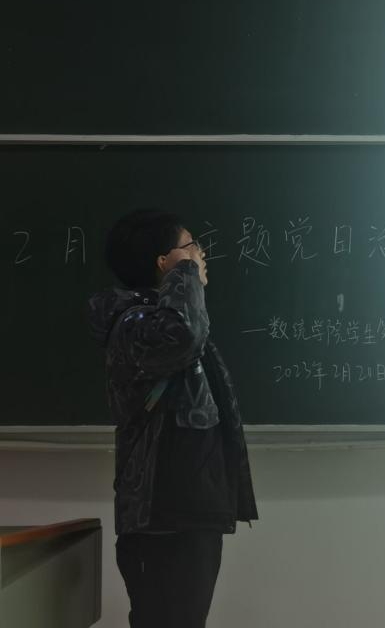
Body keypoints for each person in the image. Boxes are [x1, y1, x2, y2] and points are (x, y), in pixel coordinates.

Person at [88, 209, 257, 628]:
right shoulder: (133, 324)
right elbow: (183, 336)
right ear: (163, 261)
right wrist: (184, 274)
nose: (201, 255)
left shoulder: (158, 317)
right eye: (191, 246)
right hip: (160, 517)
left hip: (187, 510)